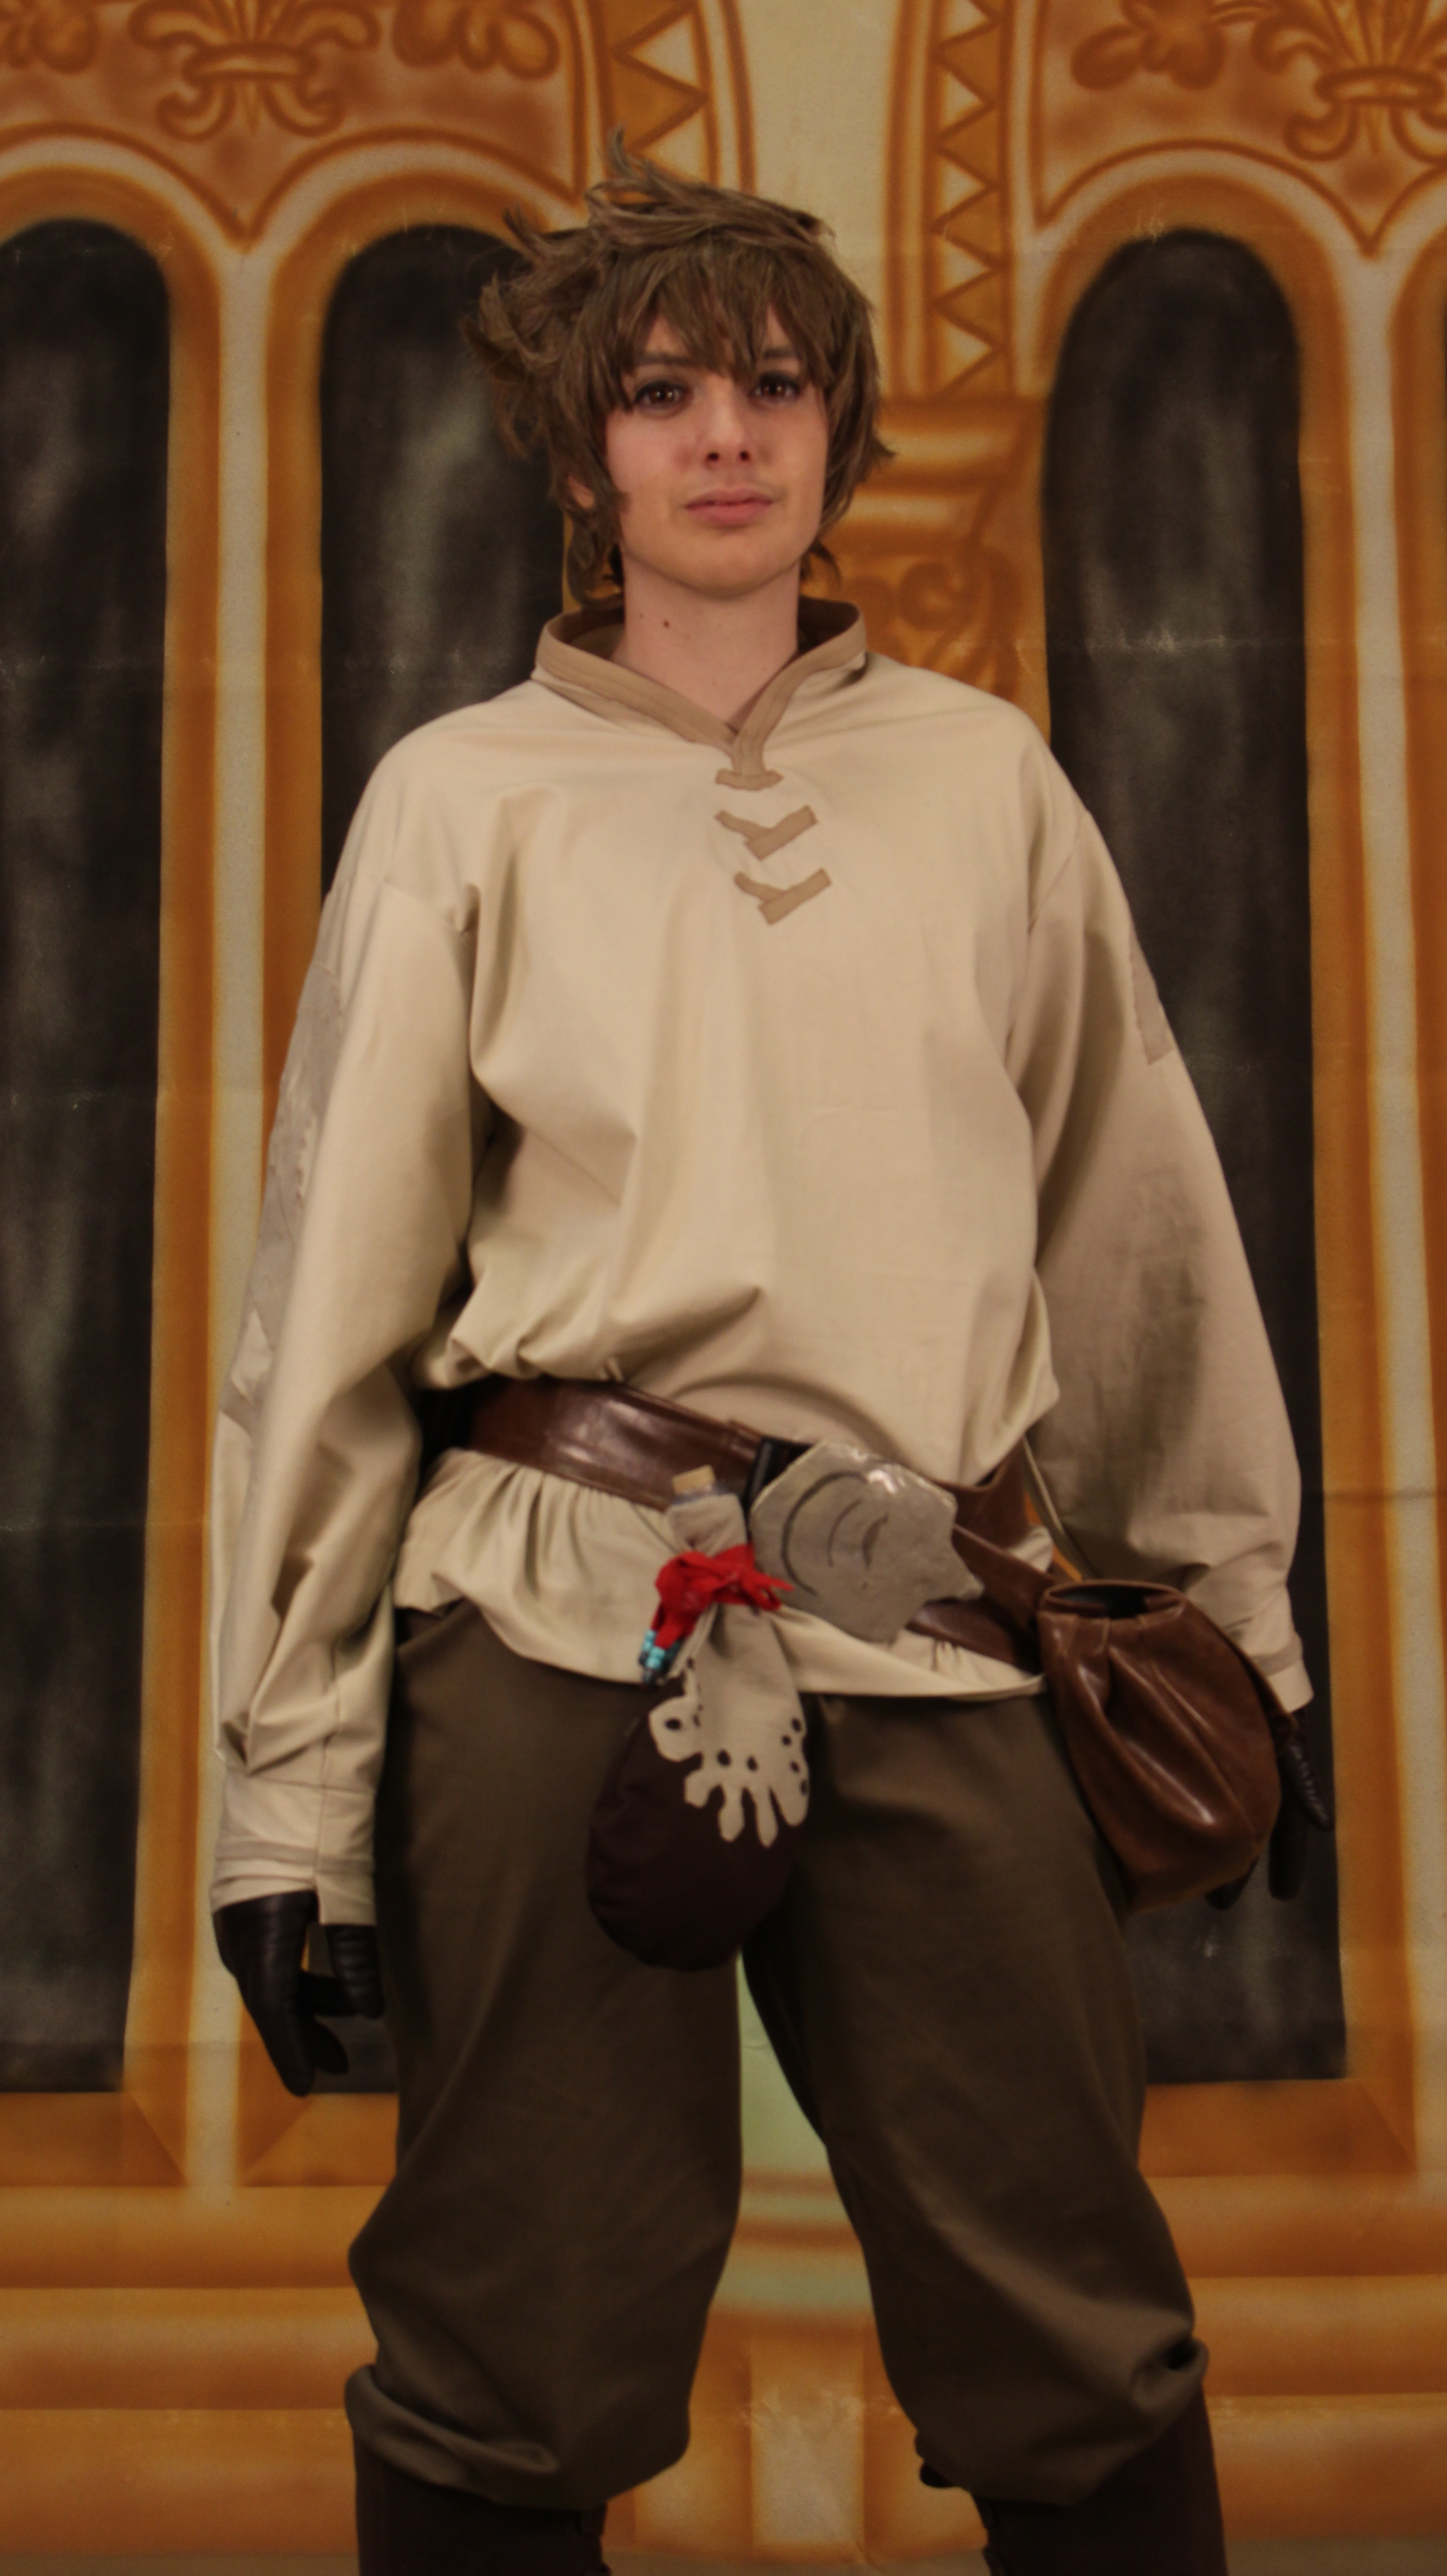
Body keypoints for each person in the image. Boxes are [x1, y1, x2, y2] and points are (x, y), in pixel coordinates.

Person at [210, 147, 1315, 2576]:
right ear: (578, 450)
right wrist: (289, 1796)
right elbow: (331, 1323)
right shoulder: (461, 802)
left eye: (776, 386)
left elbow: (1133, 1225)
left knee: (1065, 2322)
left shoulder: (983, 781)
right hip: (554, 1608)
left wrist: (1230, 1634)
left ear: (837, 428)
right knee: (514, 2332)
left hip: (941, 1613)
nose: (725, 436)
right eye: (660, 393)